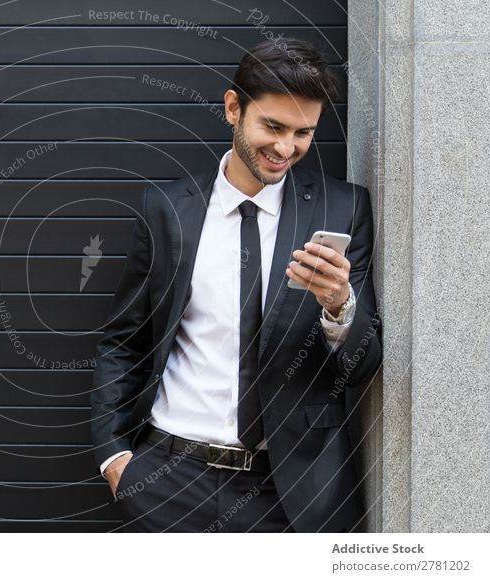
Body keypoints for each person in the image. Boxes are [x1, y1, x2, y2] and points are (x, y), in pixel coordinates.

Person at [89, 38, 382, 533]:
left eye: (303, 133)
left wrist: (338, 305)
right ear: (232, 108)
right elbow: (125, 340)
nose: (286, 148)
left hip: (290, 494)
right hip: (168, 480)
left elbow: (362, 366)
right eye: (273, 126)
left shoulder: (343, 210)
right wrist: (115, 458)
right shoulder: (169, 210)